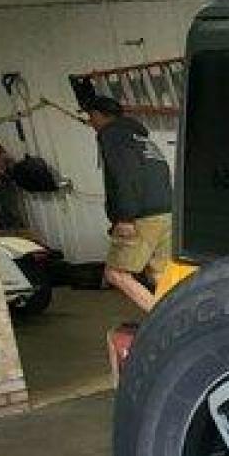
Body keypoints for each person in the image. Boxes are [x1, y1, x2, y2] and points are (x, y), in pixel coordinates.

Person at [85, 96, 172, 313]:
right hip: (167, 212)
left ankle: (165, 322)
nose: (91, 123)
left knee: (116, 274)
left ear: (98, 115)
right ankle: (186, 323)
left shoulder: (112, 134)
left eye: (91, 117)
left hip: (141, 215)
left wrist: (124, 217)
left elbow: (123, 175)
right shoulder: (141, 139)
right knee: (160, 274)